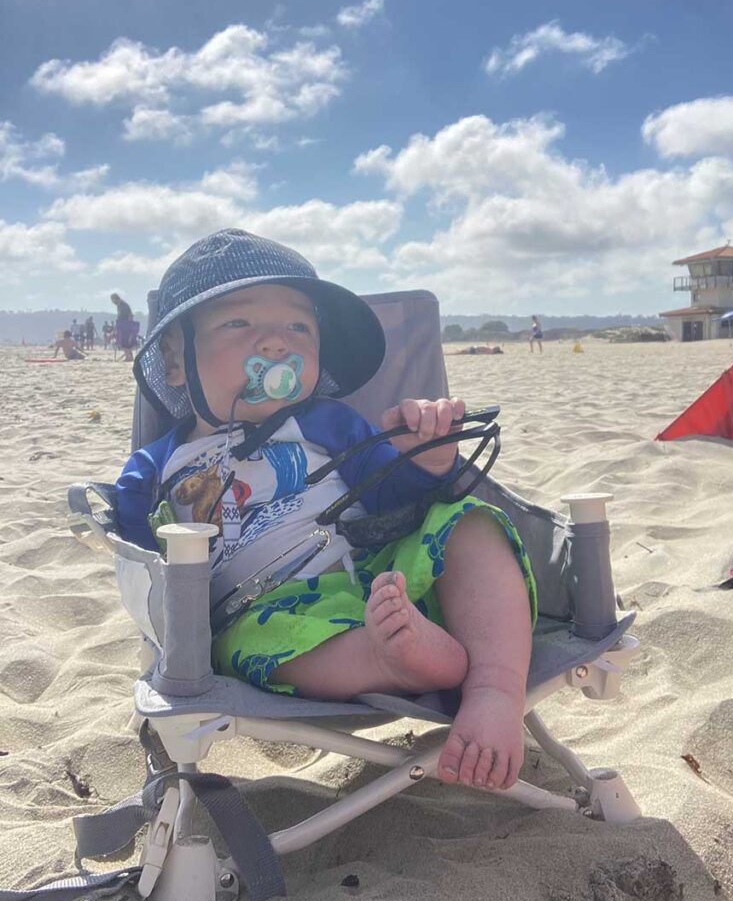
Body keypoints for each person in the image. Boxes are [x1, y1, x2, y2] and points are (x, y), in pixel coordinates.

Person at [115, 230, 537, 791]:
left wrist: (428, 459)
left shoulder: (328, 425)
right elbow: (135, 556)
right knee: (248, 644)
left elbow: (394, 496)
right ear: (174, 362)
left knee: (470, 523)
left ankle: (493, 690)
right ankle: (387, 660)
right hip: (265, 607)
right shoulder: (156, 467)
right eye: (239, 324)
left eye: (298, 326)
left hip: (376, 572)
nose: (275, 342)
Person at [111, 293, 139, 362]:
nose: (113, 303)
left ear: (116, 299)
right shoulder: (119, 306)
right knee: (123, 341)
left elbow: (130, 315)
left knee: (126, 341)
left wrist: (130, 326)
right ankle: (129, 356)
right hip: (121, 325)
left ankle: (129, 357)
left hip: (126, 326)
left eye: (113, 301)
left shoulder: (124, 305)